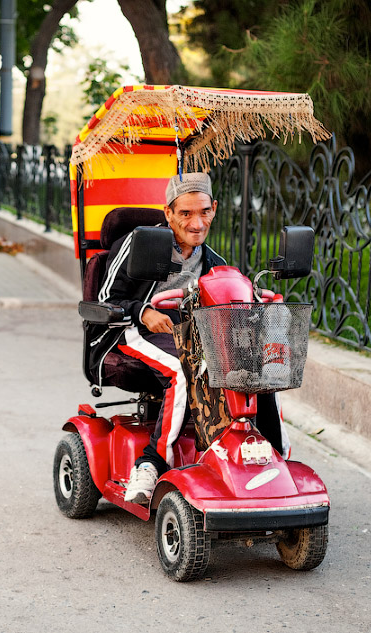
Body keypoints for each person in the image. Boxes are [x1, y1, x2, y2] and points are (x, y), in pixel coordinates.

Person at [96, 172, 227, 504]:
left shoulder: (214, 262)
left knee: (246, 366)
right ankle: (151, 464)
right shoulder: (141, 244)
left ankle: (258, 454)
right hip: (132, 332)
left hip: (192, 337)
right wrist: (143, 312)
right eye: (185, 213)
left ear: (214, 208)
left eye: (203, 212)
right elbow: (106, 298)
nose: (197, 223)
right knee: (182, 371)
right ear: (168, 213)